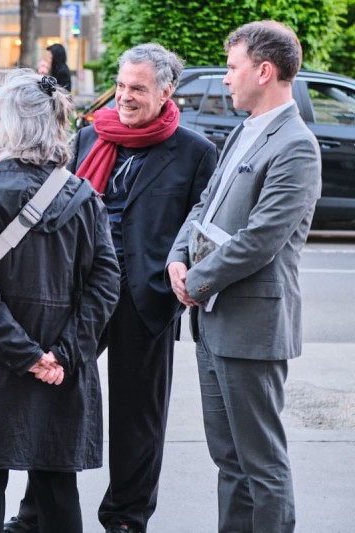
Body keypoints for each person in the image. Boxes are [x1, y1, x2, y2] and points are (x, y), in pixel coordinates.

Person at [5, 43, 217, 533]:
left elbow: (200, 226)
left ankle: (126, 518)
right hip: (78, 294)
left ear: (166, 92)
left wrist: (182, 274)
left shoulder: (195, 152)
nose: (124, 96)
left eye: (137, 88)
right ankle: (38, 514)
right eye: (121, 86)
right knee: (55, 402)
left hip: (145, 301)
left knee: (137, 419)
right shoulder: (88, 138)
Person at [0, 70, 120, 533]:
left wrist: (25, 354)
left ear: (11, 125)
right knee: (56, 486)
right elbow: (107, 280)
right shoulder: (83, 195)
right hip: (61, 362)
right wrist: (63, 354)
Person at [166, 21, 321, 533]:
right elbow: (204, 205)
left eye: (232, 68)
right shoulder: (243, 130)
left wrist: (197, 280)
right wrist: (177, 258)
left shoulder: (296, 145)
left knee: (262, 465)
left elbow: (261, 240)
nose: (226, 80)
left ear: (264, 69)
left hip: (252, 329)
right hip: (212, 323)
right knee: (229, 461)